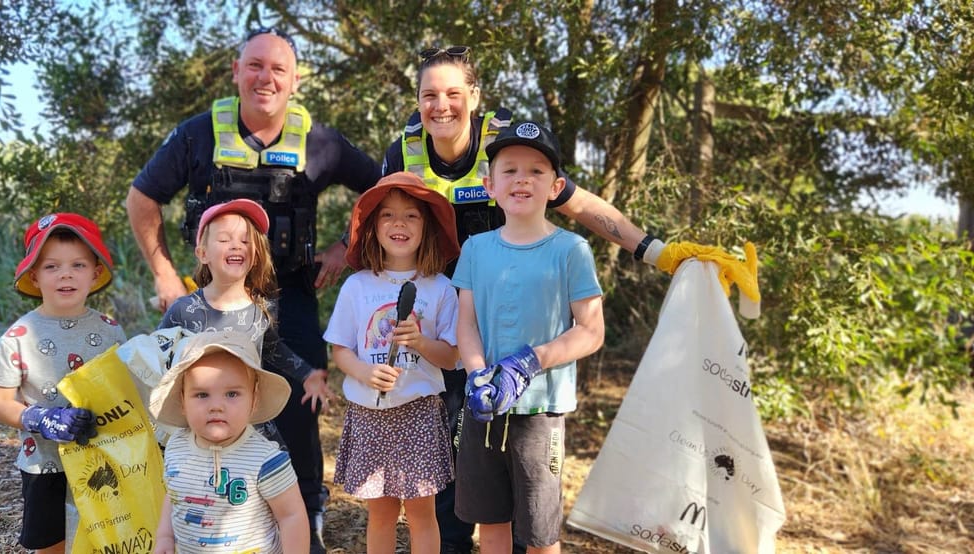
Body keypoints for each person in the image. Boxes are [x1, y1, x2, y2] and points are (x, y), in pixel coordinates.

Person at [382, 45, 757, 554]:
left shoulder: (510, 150)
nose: (440, 106)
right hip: (447, 324)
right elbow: (383, 222)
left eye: (453, 93)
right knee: (456, 464)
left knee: (526, 492)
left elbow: (580, 205)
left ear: (474, 96)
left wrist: (656, 251)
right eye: (429, 95)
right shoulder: (402, 151)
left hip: (514, 327)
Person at [127, 27, 382, 551]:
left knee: (298, 405)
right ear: (237, 72)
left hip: (290, 295)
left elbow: (385, 187)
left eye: (279, 69)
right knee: (193, 400)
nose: (266, 77)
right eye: (256, 65)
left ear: (295, 81)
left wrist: (344, 248)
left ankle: (305, 510)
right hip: (212, 299)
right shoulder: (197, 136)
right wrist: (164, 274)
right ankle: (192, 515)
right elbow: (141, 198)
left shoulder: (322, 143)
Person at [453, 121, 605, 554]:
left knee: (540, 534)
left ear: (556, 186)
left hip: (541, 409)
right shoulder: (475, 249)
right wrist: (479, 374)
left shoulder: (571, 249)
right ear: (489, 185)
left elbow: (591, 330)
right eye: (510, 170)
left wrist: (531, 361)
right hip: (483, 406)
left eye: (537, 171)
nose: (522, 179)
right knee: (492, 524)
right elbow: (467, 323)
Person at [323, 172, 463, 554]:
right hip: (369, 414)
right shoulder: (357, 286)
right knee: (380, 516)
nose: (399, 224)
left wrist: (420, 342)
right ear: (372, 227)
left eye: (411, 216)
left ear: (427, 227)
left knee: (422, 515)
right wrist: (366, 372)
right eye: (387, 215)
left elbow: (451, 358)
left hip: (419, 413)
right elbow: (340, 351)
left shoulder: (440, 289)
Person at [0, 213, 128, 554]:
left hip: (102, 457)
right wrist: (38, 419)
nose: (65, 274)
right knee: (52, 543)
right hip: (45, 463)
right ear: (34, 276)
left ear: (95, 273)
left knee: (104, 537)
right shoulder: (18, 337)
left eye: (78, 265)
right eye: (52, 267)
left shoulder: (111, 330)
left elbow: (125, 390)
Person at [158, 199, 333, 420]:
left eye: (245, 240)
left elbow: (272, 348)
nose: (236, 245)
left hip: (246, 423)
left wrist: (307, 374)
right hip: (198, 422)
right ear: (203, 254)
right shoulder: (183, 310)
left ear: (256, 254)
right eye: (224, 239)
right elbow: (156, 355)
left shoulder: (260, 310)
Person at [148, 330, 310, 554]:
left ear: (254, 400)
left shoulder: (266, 460)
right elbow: (174, 493)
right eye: (202, 395)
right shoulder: (176, 446)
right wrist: (165, 537)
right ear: (182, 401)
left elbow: (291, 516)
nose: (217, 406)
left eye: (232, 394)